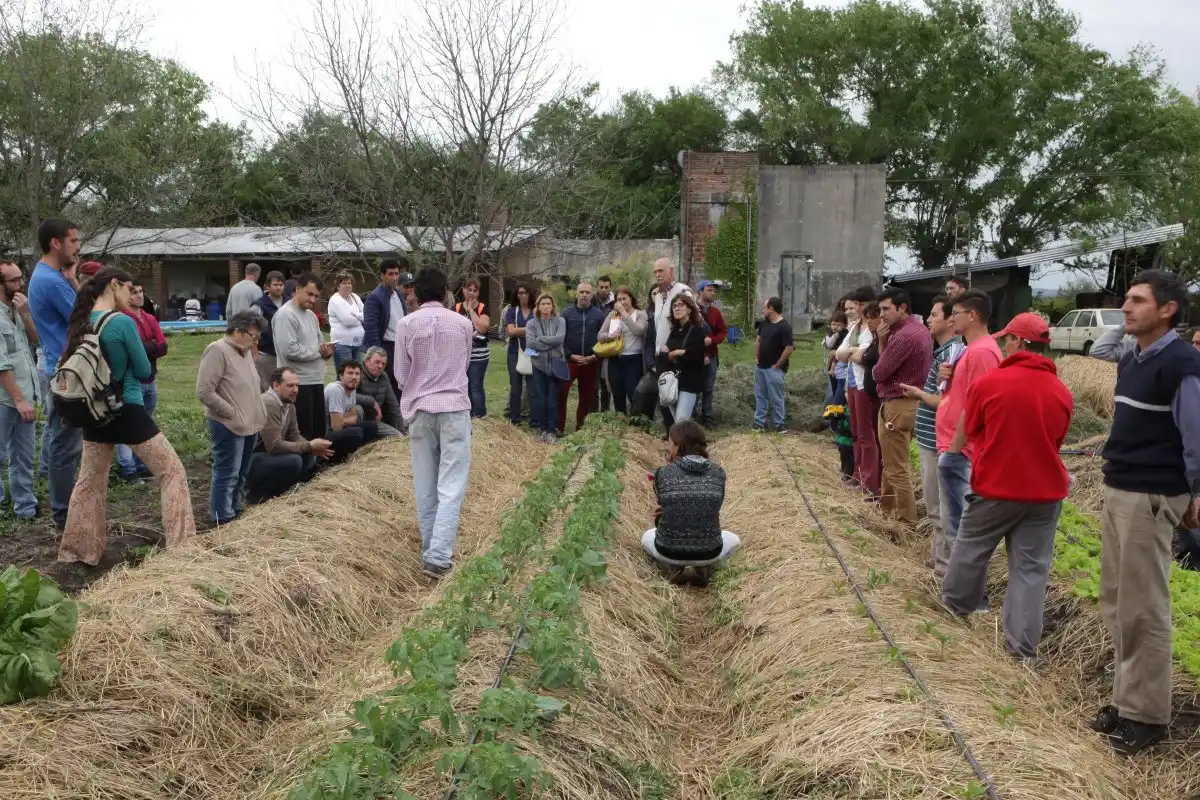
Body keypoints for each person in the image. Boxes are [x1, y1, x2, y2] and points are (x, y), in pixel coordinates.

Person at [1087, 270, 1200, 756]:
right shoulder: (1134, 356)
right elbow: (1104, 347)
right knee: (1116, 601)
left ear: (1167, 309)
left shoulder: (1181, 364)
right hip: (1122, 487)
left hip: (1151, 495)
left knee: (1144, 607)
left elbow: (1197, 435)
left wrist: (1197, 493)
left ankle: (1147, 715)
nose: (1126, 308)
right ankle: (1125, 700)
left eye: (1137, 301)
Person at [942, 313, 1072, 662]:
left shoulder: (991, 384)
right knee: (1030, 571)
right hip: (1045, 494)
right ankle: (1022, 652)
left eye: (1007, 339)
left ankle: (953, 613)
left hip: (996, 488)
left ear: (1018, 342)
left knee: (971, 549)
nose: (1003, 344)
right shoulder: (1061, 392)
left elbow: (973, 428)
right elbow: (1056, 440)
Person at [57, 268, 195, 565]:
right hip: (127, 408)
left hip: (94, 413)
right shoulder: (122, 322)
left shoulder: (80, 322)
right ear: (113, 285)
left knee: (90, 483)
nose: (133, 296)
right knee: (172, 472)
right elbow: (145, 372)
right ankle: (183, 549)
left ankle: (79, 552)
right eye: (129, 289)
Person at [394, 267, 474, 579]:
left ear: (416, 292)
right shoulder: (463, 324)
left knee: (426, 485)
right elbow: (464, 365)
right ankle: (438, 555)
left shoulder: (406, 324)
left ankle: (433, 550)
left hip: (420, 409)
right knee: (451, 485)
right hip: (454, 407)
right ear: (444, 292)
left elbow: (401, 375)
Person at [935, 289, 1002, 577]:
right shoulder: (969, 350)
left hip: (962, 451)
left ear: (972, 316)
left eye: (957, 314)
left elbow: (979, 407)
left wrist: (953, 452)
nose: (952, 320)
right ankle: (957, 586)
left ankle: (967, 594)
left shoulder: (983, 353)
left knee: (962, 526)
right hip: (954, 446)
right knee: (954, 525)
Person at [898, 295, 963, 572]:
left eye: (934, 315)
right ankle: (940, 564)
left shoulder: (952, 355)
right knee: (936, 508)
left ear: (950, 320)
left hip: (938, 441)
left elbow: (947, 402)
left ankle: (946, 569)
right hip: (931, 438)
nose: (928, 320)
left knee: (941, 509)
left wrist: (918, 394)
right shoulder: (943, 353)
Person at [27, 218, 83, 530]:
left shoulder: (46, 276)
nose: (77, 247)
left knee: (67, 444)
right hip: (65, 374)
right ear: (55, 243)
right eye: (73, 241)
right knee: (65, 446)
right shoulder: (50, 281)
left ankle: (69, 508)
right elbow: (87, 317)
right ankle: (63, 515)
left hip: (60, 369)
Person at [642, 420, 740, 587]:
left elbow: (663, 507)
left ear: (679, 445)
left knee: (646, 537)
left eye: (670, 443)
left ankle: (672, 567)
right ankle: (706, 567)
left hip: (668, 550)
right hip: (710, 551)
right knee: (734, 540)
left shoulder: (663, 473)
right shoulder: (718, 473)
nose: (668, 448)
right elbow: (714, 507)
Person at [196, 311, 267, 525]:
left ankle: (236, 509)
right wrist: (231, 412)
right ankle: (221, 516)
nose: (256, 341)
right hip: (228, 424)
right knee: (227, 472)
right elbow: (205, 391)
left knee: (242, 472)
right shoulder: (217, 350)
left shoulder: (245, 351)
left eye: (257, 336)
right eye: (253, 336)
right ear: (237, 331)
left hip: (249, 423)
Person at [871, 288, 933, 524]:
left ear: (902, 308)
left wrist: (882, 341)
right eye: (880, 309)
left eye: (886, 309)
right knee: (891, 463)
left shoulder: (903, 337)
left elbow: (879, 372)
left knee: (897, 468)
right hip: (909, 404)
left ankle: (907, 522)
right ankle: (885, 512)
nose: (882, 315)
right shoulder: (920, 330)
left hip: (897, 405)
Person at [247, 367, 335, 503]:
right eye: (290, 386)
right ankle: (259, 494)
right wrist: (309, 446)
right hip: (251, 459)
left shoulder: (289, 404)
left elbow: (294, 435)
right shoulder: (269, 403)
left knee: (308, 457)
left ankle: (287, 488)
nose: (295, 390)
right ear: (276, 386)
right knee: (294, 461)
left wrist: (312, 449)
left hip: (267, 456)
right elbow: (274, 445)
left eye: (297, 385)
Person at [114, 280, 167, 482]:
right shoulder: (122, 319)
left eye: (141, 291)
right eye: (134, 292)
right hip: (132, 380)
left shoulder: (149, 318)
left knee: (145, 422)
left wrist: (146, 346)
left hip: (150, 378)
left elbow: (162, 346)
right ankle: (127, 468)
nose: (138, 295)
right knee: (128, 422)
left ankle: (140, 464)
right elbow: (132, 349)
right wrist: (149, 346)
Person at [273, 273, 334, 441]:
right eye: (310, 294)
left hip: (316, 380)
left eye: (316, 296)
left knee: (318, 431)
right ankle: (304, 467)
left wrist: (327, 352)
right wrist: (318, 351)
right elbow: (289, 350)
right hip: (298, 383)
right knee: (303, 434)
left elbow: (320, 345)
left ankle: (318, 466)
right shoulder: (286, 315)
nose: (313, 300)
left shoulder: (312, 316)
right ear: (297, 289)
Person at [0, 261, 39, 519]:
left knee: (23, 456)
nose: (20, 284)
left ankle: (25, 507)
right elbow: (2, 365)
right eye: (14, 280)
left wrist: (25, 313)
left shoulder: (16, 311)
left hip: (26, 395)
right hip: (6, 399)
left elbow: (36, 339)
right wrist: (18, 399)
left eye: (20, 279)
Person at [837, 288, 880, 497]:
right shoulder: (855, 326)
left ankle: (869, 480)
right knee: (855, 431)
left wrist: (852, 353)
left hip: (864, 385)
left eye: (860, 304)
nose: (857, 308)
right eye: (855, 304)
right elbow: (840, 353)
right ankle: (857, 473)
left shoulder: (872, 328)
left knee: (865, 433)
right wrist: (854, 353)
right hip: (852, 384)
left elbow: (864, 356)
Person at [558, 281, 606, 435]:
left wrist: (594, 356)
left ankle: (581, 428)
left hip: (590, 362)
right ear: (576, 294)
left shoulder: (599, 315)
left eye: (587, 292)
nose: (585, 295)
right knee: (561, 392)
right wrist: (570, 355)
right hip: (570, 361)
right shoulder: (566, 314)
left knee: (587, 397)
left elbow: (603, 341)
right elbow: (560, 339)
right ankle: (559, 426)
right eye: (582, 292)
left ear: (592, 295)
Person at [657, 292, 707, 427]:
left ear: (689, 309)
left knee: (681, 422)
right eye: (674, 306)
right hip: (673, 383)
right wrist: (672, 354)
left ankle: (686, 447)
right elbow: (662, 354)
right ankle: (681, 447)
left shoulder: (696, 331)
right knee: (677, 423)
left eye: (681, 305)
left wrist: (680, 352)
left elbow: (697, 356)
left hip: (689, 383)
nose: (677, 308)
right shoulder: (674, 332)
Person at [363, 259, 409, 400]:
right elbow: (371, 327)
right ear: (382, 275)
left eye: (396, 274)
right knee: (388, 386)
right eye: (390, 274)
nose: (394, 278)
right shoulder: (375, 297)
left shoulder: (398, 294)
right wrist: (378, 352)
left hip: (400, 345)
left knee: (401, 384)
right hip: (386, 346)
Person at [325, 360, 395, 449]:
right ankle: (335, 460)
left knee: (371, 427)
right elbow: (336, 426)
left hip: (338, 430)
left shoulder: (352, 389)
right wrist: (346, 419)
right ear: (341, 376)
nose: (354, 377)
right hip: (325, 436)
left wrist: (343, 419)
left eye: (357, 374)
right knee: (357, 432)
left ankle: (354, 454)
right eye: (350, 373)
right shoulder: (335, 389)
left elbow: (354, 417)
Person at [525, 292, 566, 443]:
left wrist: (541, 339)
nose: (546, 306)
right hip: (538, 365)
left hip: (555, 365)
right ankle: (542, 430)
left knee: (552, 400)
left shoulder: (560, 321)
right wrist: (550, 344)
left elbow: (560, 339)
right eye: (543, 304)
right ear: (538, 306)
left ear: (553, 306)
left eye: (548, 303)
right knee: (541, 399)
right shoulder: (531, 323)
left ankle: (551, 430)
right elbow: (530, 344)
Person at [599, 286, 647, 415]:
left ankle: (636, 422)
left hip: (634, 358)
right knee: (617, 392)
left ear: (631, 299)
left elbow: (638, 331)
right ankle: (621, 422)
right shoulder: (612, 315)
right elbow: (600, 335)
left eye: (624, 298)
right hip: (616, 358)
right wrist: (609, 336)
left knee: (633, 392)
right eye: (619, 299)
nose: (622, 302)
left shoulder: (641, 314)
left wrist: (624, 314)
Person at [753, 296, 794, 433]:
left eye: (765, 307)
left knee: (776, 397)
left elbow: (789, 348)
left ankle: (778, 424)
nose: (763, 310)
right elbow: (758, 340)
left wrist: (778, 365)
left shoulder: (784, 327)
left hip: (774, 369)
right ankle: (759, 422)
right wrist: (756, 356)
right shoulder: (764, 324)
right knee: (760, 395)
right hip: (760, 367)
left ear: (771, 309)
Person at [456, 277, 491, 418]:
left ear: (478, 292)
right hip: (461, 354)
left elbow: (482, 327)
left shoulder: (482, 307)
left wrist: (471, 310)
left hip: (478, 354)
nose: (471, 293)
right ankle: (467, 415)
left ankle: (480, 416)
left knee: (476, 386)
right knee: (465, 387)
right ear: (463, 290)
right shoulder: (457, 308)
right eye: (468, 289)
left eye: (474, 290)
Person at [503, 283, 536, 428]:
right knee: (515, 387)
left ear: (530, 294)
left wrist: (519, 330)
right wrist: (529, 330)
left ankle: (534, 420)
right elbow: (510, 332)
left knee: (532, 388)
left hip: (531, 350)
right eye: (520, 293)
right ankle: (515, 419)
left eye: (525, 292)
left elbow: (539, 331)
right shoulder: (511, 310)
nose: (523, 295)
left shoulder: (536, 311)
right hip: (514, 351)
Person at [696, 280, 728, 428]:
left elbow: (722, 333)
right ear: (701, 291)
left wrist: (712, 340)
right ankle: (691, 416)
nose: (712, 293)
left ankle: (707, 417)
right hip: (694, 355)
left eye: (714, 291)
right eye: (709, 290)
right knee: (693, 386)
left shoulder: (715, 312)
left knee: (708, 388)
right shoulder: (692, 310)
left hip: (712, 354)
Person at [650, 259, 694, 355]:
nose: (657, 274)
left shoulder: (683, 291)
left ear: (671, 270)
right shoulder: (657, 296)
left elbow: (696, 321)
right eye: (655, 272)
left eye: (660, 270)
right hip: (660, 354)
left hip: (679, 353)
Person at [359, 346, 405, 434]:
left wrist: (401, 428)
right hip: (358, 421)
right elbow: (348, 396)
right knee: (357, 409)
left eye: (383, 364)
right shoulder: (356, 373)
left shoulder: (384, 377)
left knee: (398, 435)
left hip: (375, 421)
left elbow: (393, 404)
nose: (380, 366)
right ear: (367, 361)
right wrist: (371, 401)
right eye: (377, 362)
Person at [252, 271, 286, 390]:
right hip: (266, 354)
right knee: (266, 388)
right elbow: (251, 330)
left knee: (284, 389)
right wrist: (255, 352)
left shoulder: (289, 303)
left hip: (286, 354)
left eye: (281, 285)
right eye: (275, 285)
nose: (279, 288)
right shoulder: (260, 305)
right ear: (267, 286)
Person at [327, 271, 365, 371]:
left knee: (358, 373)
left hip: (358, 343)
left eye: (349, 283)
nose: (347, 285)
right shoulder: (335, 300)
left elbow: (366, 315)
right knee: (344, 375)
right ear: (338, 286)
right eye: (344, 283)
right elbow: (347, 321)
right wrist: (359, 317)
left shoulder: (355, 297)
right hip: (342, 344)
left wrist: (355, 316)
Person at [592, 274, 615, 413]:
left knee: (606, 382)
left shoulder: (615, 302)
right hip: (593, 347)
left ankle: (605, 413)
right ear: (597, 287)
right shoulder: (591, 301)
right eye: (601, 287)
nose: (604, 290)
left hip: (609, 347)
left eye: (606, 287)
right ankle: (593, 413)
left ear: (610, 287)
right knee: (594, 384)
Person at [823, 309, 849, 410]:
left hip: (840, 364)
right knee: (834, 390)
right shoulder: (830, 333)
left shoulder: (845, 334)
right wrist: (834, 336)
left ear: (844, 325)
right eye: (833, 324)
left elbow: (840, 351)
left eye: (838, 325)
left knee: (840, 393)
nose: (835, 327)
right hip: (832, 364)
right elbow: (829, 344)